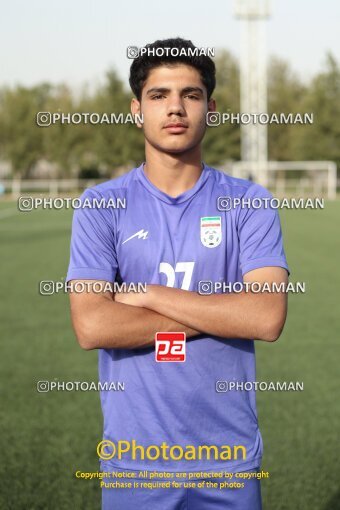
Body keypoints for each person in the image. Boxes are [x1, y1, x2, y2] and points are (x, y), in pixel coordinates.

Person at [67, 37, 289, 510]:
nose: (175, 108)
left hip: (227, 460)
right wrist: (227, 311)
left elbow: (267, 317)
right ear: (135, 109)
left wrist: (146, 294)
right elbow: (93, 326)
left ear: (210, 107)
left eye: (190, 95)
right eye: (159, 95)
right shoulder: (101, 205)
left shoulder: (249, 203)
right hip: (135, 462)